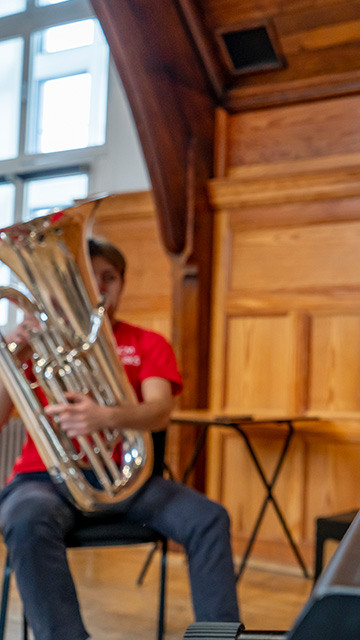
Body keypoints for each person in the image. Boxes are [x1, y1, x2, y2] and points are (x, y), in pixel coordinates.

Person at [0, 236, 240, 640]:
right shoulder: (36, 344)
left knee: (208, 518)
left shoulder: (147, 343)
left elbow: (160, 410)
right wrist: (12, 355)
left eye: (109, 278)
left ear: (122, 285)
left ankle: (219, 637)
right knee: (25, 519)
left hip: (128, 480)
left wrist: (105, 416)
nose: (100, 288)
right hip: (46, 480)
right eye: (87, 279)